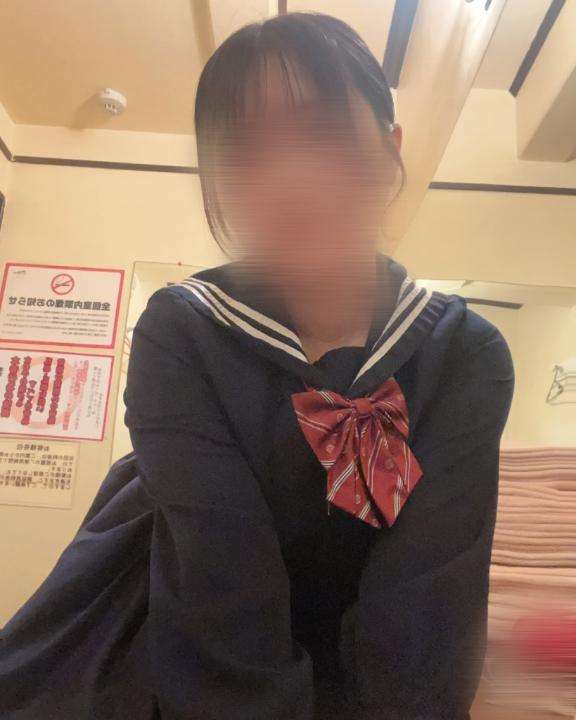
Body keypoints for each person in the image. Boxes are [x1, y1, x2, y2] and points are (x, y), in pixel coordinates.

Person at [0, 12, 514, 720]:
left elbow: (429, 613)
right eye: (244, 152)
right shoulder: (184, 331)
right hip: (182, 642)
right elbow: (221, 590)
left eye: (323, 131)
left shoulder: (466, 354)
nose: (288, 177)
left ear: (390, 147)